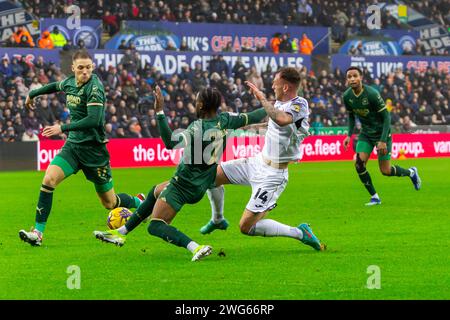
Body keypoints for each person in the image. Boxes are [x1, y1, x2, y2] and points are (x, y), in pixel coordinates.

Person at [93, 86, 268, 261]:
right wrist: (272, 104)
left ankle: (195, 247)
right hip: (202, 182)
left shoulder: (198, 127)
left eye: (197, 100)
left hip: (183, 184)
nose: (195, 102)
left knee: (155, 225)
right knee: (155, 191)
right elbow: (254, 116)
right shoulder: (226, 120)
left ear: (201, 106)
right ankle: (121, 233)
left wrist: (159, 111)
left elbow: (170, 142)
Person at [19, 50, 144, 247]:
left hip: (94, 151)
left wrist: (62, 128)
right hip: (73, 147)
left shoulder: (95, 88)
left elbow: (93, 120)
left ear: (92, 67)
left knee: (109, 203)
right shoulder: (70, 82)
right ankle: (38, 233)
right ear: (73, 68)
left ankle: (139, 203)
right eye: (80, 68)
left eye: (88, 67)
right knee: (49, 179)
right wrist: (33, 93)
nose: (85, 71)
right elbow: (55, 86)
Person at [200, 67, 325, 252]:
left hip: (274, 175)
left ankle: (300, 233)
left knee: (246, 227)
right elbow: (272, 123)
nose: (272, 84)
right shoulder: (279, 105)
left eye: (276, 81)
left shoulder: (300, 104)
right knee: (208, 176)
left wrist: (261, 98)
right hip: (257, 162)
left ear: (285, 87)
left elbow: (281, 120)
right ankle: (217, 219)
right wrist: (243, 127)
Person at [342, 66, 421, 206]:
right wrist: (349, 135)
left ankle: (411, 173)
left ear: (361, 78)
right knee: (359, 165)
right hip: (366, 134)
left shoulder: (372, 93)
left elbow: (386, 117)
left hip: (382, 133)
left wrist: (383, 140)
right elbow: (351, 116)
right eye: (349, 76)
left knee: (385, 170)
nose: (352, 79)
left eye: (355, 76)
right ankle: (375, 197)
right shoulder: (347, 96)